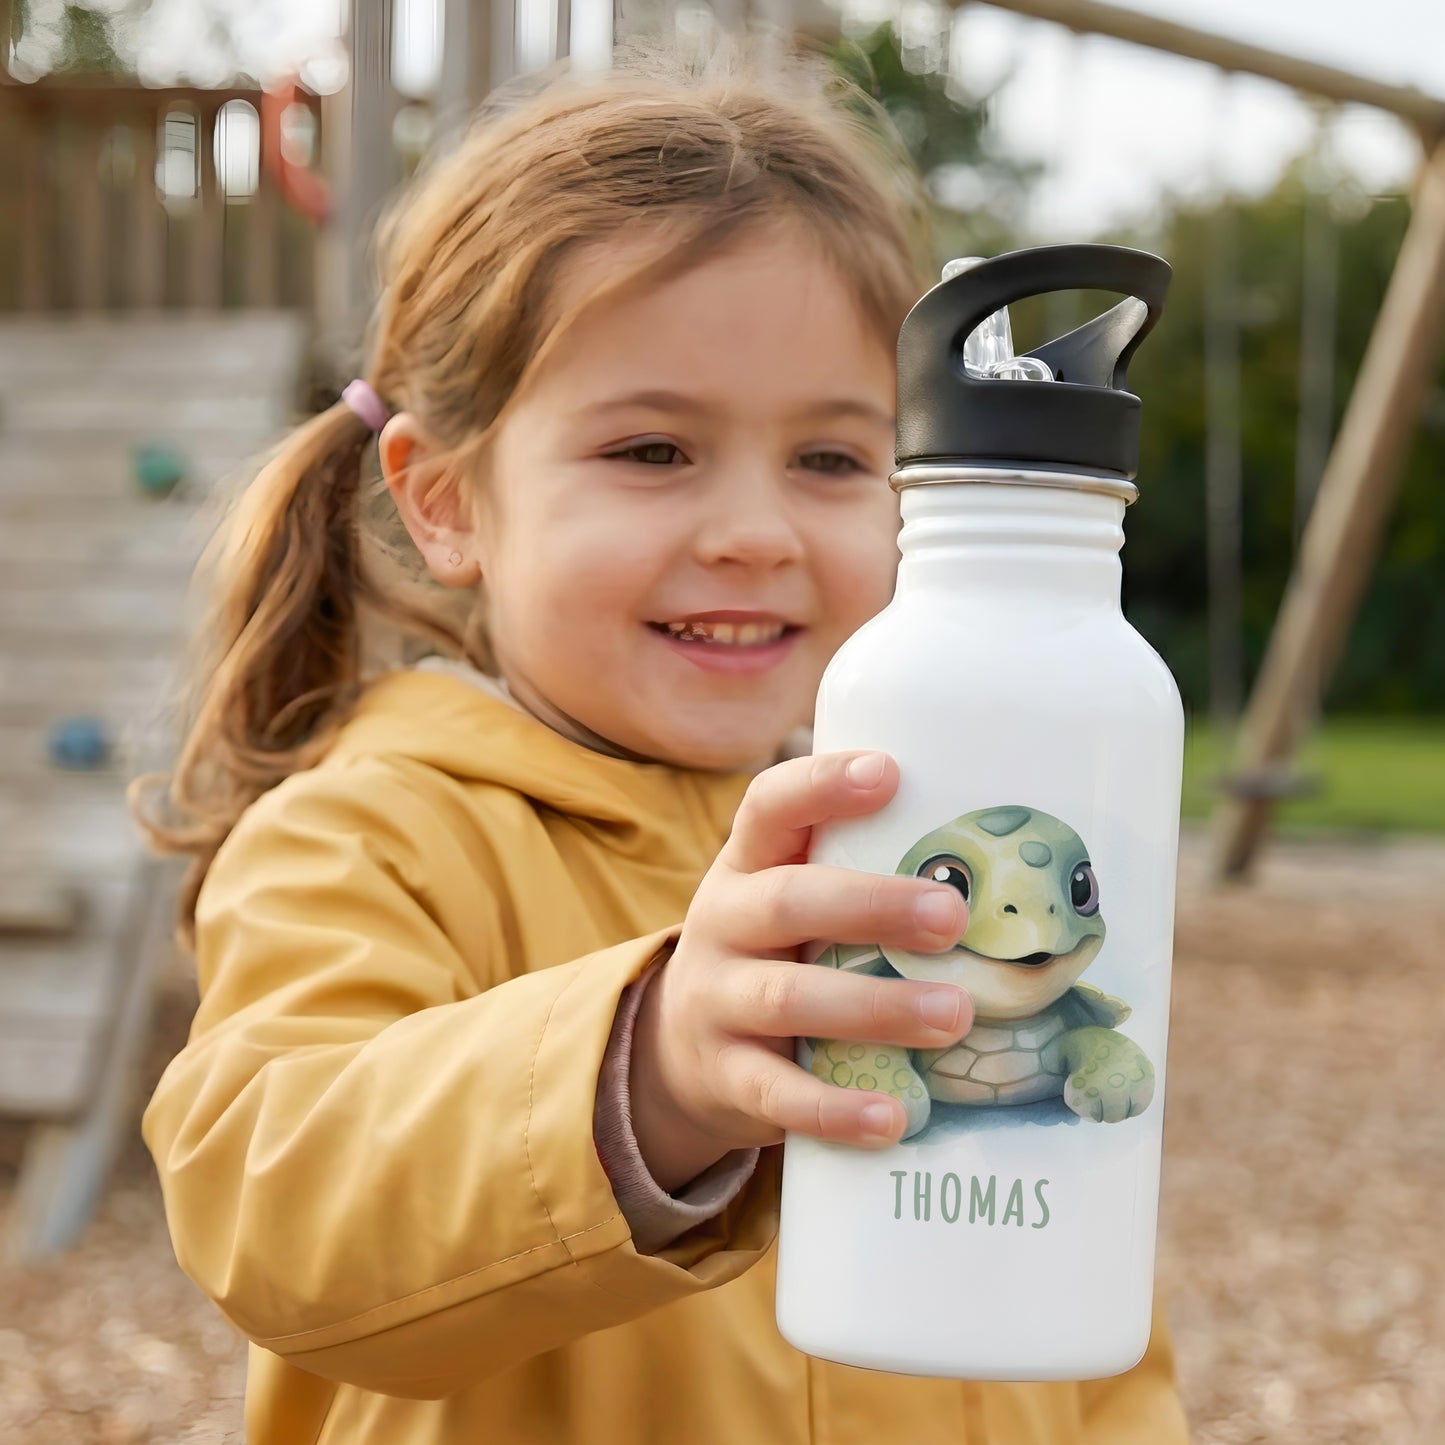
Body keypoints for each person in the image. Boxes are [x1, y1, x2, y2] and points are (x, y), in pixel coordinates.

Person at [137, 45, 1189, 1445]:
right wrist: (645, 1073)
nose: (754, 530)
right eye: (652, 452)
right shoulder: (377, 831)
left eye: (831, 460)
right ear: (447, 502)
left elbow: (1082, 1271)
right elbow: (269, 1202)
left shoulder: (927, 831)